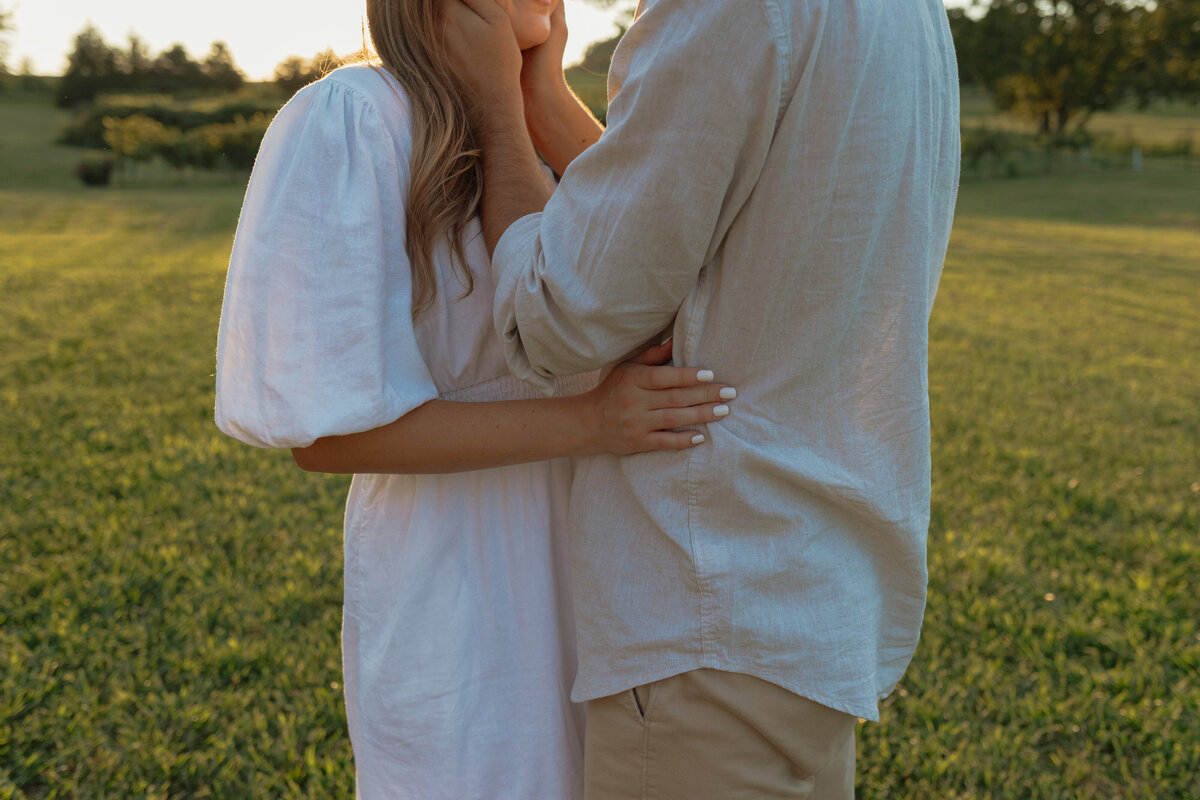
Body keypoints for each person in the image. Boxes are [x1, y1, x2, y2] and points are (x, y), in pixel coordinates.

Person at [213, 0, 737, 797]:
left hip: (604, 555)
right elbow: (327, 437)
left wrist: (540, 94)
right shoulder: (354, 119)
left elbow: (681, 273)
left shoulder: (544, 127)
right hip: (457, 577)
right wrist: (591, 420)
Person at [444, 0, 961, 796]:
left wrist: (494, 111)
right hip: (812, 605)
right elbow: (687, 233)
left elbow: (560, 316)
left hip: (709, 610)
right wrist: (544, 98)